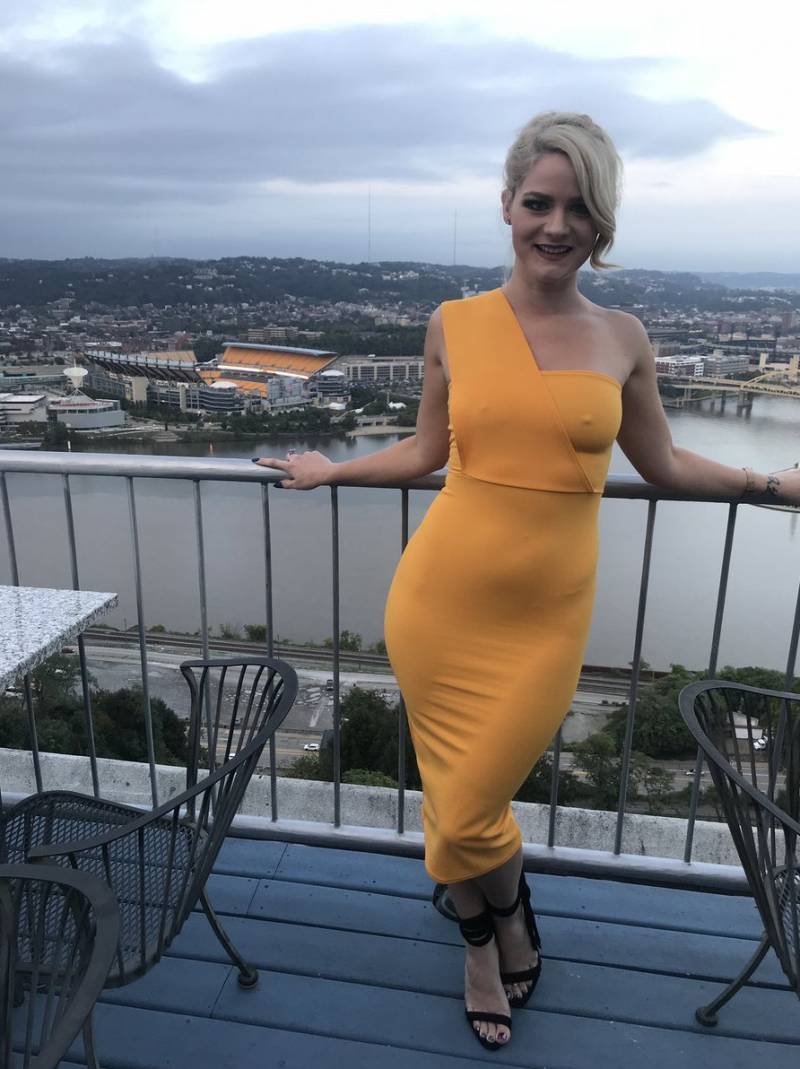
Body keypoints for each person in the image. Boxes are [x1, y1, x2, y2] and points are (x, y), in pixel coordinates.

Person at [254, 111, 800, 1051]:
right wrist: (330, 470)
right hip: (440, 599)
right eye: (539, 202)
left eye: (579, 208)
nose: (557, 224)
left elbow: (664, 463)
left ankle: (501, 912)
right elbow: (426, 450)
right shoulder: (453, 323)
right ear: (506, 205)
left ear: (601, 223)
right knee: (459, 801)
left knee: (468, 804)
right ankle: (490, 937)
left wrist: (772, 484)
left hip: (546, 617)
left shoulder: (623, 336)